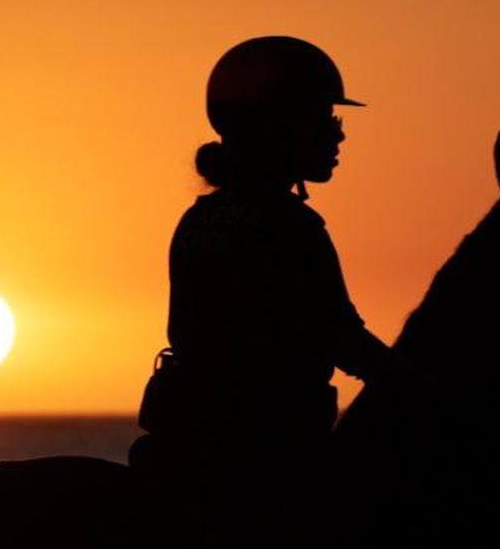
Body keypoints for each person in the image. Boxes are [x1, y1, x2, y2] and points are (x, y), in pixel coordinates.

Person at [130, 34, 398, 491]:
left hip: (188, 440)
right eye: (322, 118)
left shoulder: (198, 219)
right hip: (270, 454)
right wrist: (435, 392)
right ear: (281, 126)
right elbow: (343, 340)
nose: (338, 133)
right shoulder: (290, 225)